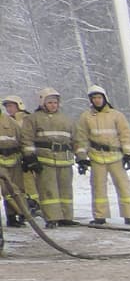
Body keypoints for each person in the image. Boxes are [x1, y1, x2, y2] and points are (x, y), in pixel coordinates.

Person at [77, 83, 130, 225]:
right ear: (90, 100)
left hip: (116, 157)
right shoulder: (86, 117)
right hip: (96, 157)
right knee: (98, 187)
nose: (97, 100)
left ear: (104, 98)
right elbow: (81, 138)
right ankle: (100, 216)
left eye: (99, 97)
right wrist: (81, 158)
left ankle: (129, 215)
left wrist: (128, 154)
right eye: (94, 98)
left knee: (123, 187)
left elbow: (126, 135)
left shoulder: (116, 115)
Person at [26, 87, 79, 226]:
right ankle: (51, 218)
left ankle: (67, 217)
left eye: (55, 102)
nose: (53, 105)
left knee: (66, 190)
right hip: (44, 161)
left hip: (65, 160)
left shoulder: (67, 119)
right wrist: (30, 157)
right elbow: (27, 139)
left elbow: (77, 140)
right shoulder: (33, 119)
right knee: (48, 191)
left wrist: (82, 157)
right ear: (43, 103)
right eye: (49, 102)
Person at [0, 94, 32, 229]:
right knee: (6, 191)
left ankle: (15, 216)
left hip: (14, 160)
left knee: (17, 189)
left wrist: (28, 157)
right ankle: (15, 215)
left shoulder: (10, 122)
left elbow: (22, 140)